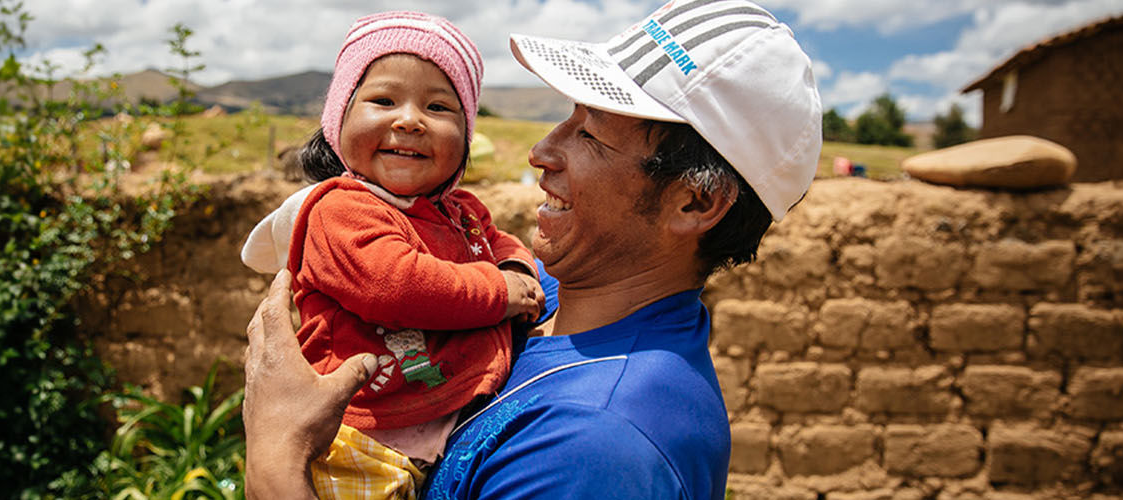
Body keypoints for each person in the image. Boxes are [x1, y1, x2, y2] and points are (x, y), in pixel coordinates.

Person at [243, 1, 820, 498]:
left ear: (694, 203)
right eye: (566, 118)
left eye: (590, 134)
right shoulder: (550, 300)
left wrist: (275, 461)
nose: (542, 151)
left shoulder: (592, 451)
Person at [236, 11, 544, 499]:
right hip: (359, 436)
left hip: (426, 423)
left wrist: (514, 268)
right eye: (383, 100)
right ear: (338, 119)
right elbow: (396, 284)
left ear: (466, 136)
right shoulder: (340, 211)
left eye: (440, 108)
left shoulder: (459, 210)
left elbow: (497, 242)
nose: (409, 120)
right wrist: (501, 292)